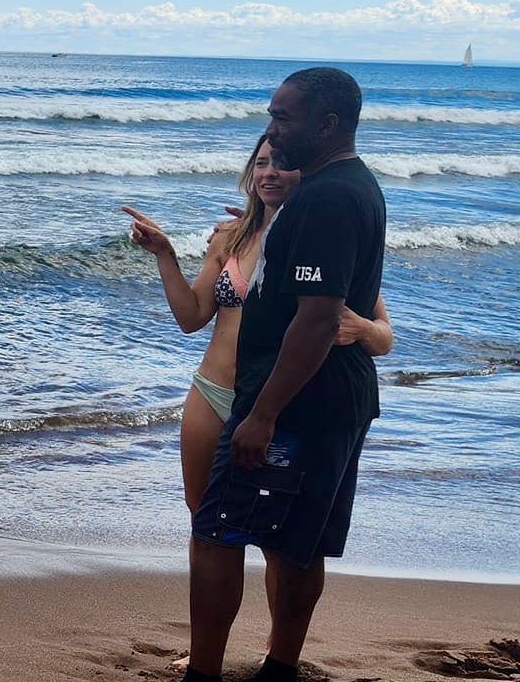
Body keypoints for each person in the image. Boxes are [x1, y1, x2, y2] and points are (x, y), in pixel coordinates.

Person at [132, 67, 388, 682]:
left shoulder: (324, 200)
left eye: (284, 118)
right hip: (324, 398)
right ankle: (278, 673)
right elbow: (216, 310)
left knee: (217, 529)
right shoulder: (352, 188)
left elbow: (318, 319)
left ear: (326, 125)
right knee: (298, 539)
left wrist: (263, 414)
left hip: (294, 401)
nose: (271, 131)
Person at [124, 135, 394, 512]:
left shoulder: (323, 244)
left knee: (273, 530)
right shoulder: (229, 239)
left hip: (277, 405)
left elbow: (383, 338)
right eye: (261, 164)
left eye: (281, 164)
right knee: (204, 517)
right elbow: (191, 317)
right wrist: (165, 254)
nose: (269, 173)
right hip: (211, 392)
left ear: (305, 171)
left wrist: (363, 329)